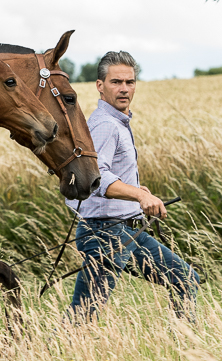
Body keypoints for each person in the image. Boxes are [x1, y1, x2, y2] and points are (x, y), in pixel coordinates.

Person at [63, 51, 200, 324]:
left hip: (124, 228)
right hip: (104, 232)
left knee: (185, 279)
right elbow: (97, 176)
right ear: (100, 86)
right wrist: (137, 195)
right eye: (116, 82)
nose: (124, 88)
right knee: (83, 315)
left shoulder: (117, 122)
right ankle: (51, 357)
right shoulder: (105, 125)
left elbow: (111, 173)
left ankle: (187, 349)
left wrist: (137, 190)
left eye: (130, 81)